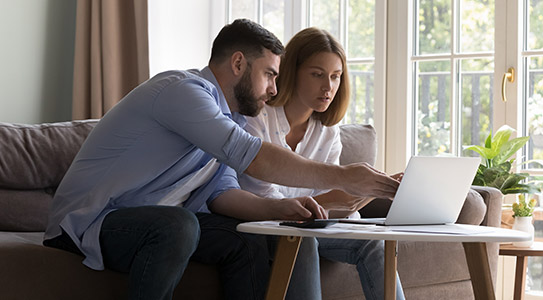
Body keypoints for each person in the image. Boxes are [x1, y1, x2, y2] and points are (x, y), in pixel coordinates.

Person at [43, 19, 399, 300]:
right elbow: (252, 158)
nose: (274, 89)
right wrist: (342, 176)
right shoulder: (183, 92)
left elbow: (222, 195)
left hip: (156, 220)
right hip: (90, 222)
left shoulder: (232, 119)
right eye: (269, 75)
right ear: (239, 63)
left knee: (244, 237)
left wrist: (284, 210)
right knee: (179, 224)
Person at [239, 27, 406, 300]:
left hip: (306, 225)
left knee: (374, 242)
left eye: (335, 77)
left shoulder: (327, 131)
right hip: (261, 224)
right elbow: (263, 197)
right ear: (291, 72)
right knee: (301, 240)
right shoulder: (258, 118)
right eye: (317, 74)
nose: (328, 87)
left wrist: (361, 195)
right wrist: (334, 199)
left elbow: (325, 202)